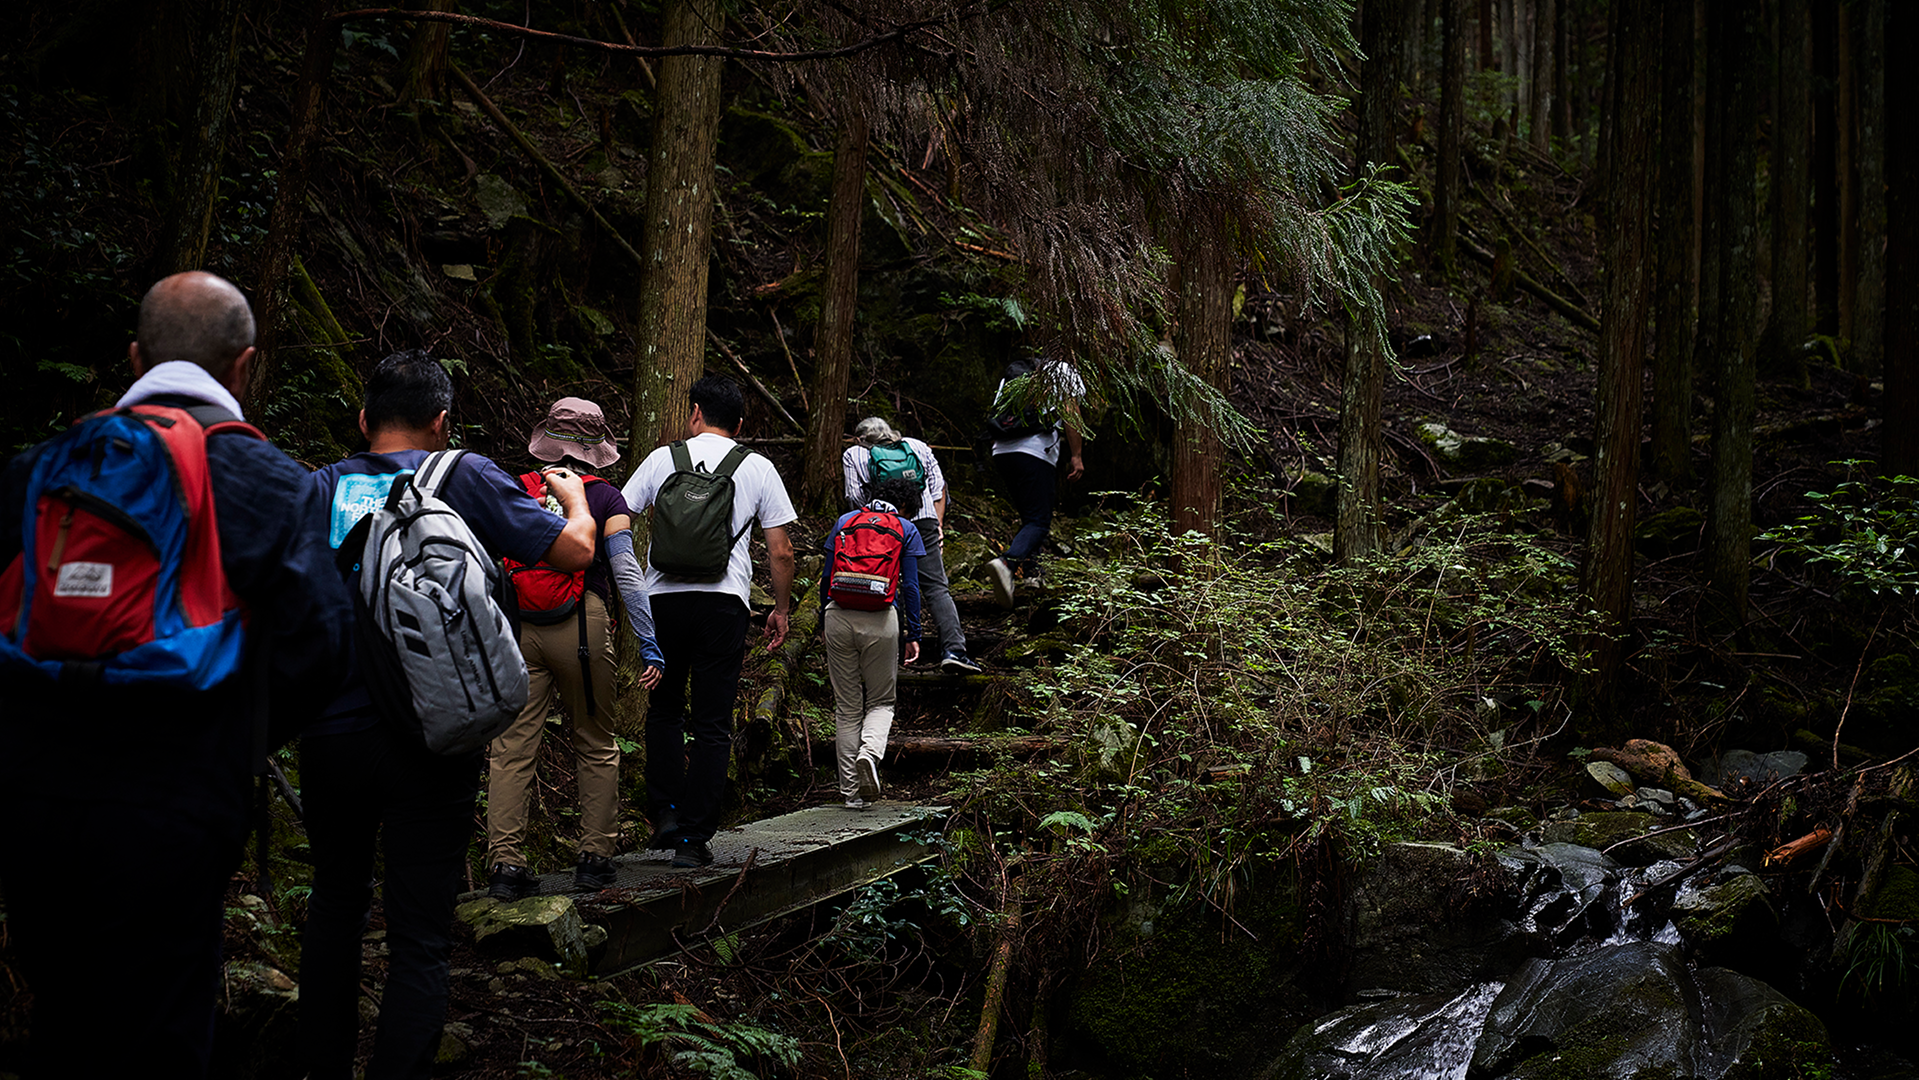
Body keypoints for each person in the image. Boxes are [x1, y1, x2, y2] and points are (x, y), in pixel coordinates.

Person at [0, 272, 353, 1078]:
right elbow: (324, 645)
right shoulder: (269, 481)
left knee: (62, 1014)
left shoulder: (42, 468)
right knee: (160, 1022)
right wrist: (235, 732)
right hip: (176, 796)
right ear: (245, 366)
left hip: (31, 790)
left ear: (134, 357)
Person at [300, 350, 598, 1080]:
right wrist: (576, 499)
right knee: (420, 933)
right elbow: (571, 552)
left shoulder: (314, 490)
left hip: (330, 732)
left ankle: (321, 1067)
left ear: (363, 420)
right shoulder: (463, 476)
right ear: (440, 421)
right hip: (433, 736)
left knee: (334, 902)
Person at [485, 397, 665, 900]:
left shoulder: (516, 489)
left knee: (512, 748)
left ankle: (504, 865)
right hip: (582, 627)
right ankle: (594, 857)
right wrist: (649, 643)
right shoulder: (605, 497)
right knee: (595, 741)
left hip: (517, 625)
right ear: (596, 450)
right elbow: (626, 573)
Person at [620, 375, 797, 869]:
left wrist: (624, 593)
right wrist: (780, 610)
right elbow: (780, 551)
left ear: (695, 412)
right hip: (724, 603)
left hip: (662, 601)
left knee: (664, 710)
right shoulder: (757, 466)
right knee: (713, 723)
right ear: (740, 424)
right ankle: (694, 840)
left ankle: (667, 816)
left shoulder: (662, 459)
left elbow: (620, 517)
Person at [841, 417, 981, 674]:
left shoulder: (854, 454)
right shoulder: (917, 446)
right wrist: (937, 524)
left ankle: (891, 654)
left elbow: (854, 497)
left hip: (881, 524)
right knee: (937, 587)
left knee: (888, 582)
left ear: (860, 438)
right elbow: (938, 489)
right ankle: (954, 650)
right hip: (924, 519)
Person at [821, 476, 925, 808]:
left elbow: (827, 576)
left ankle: (852, 794)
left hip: (838, 614)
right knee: (881, 702)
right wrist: (914, 633)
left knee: (847, 707)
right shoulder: (906, 528)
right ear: (907, 504)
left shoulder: (845, 521)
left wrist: (825, 617)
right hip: (882, 618)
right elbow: (910, 587)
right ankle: (869, 753)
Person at [984, 350, 1085, 608]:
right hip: (1035, 452)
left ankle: (1032, 575)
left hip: (1002, 450)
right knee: (1039, 520)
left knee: (1030, 517)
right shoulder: (1063, 371)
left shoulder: (1015, 373)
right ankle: (1007, 563)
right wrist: (1076, 455)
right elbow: (1071, 412)